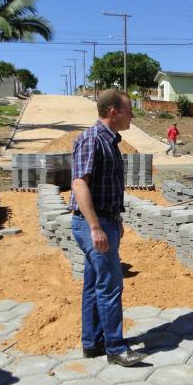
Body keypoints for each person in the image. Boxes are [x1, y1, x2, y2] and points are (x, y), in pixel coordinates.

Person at [70, 89, 147, 367]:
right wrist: (95, 226)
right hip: (94, 224)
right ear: (113, 112)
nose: (132, 115)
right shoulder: (92, 139)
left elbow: (106, 187)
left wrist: (116, 220)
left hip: (106, 221)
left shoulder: (109, 141)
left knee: (93, 284)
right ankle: (115, 347)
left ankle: (92, 343)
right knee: (110, 287)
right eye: (129, 110)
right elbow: (79, 184)